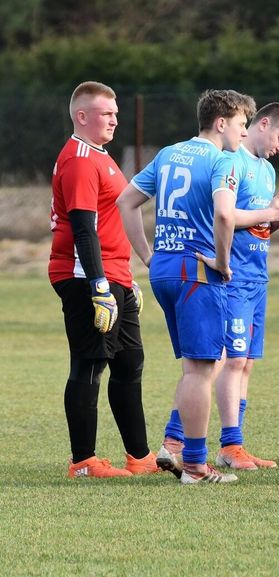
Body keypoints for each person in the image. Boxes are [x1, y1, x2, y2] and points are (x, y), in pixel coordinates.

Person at [117, 89, 262, 484]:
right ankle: (195, 466)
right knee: (203, 368)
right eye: (241, 124)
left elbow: (126, 202)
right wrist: (222, 260)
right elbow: (224, 214)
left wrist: (148, 256)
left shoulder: (168, 153)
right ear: (221, 122)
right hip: (196, 270)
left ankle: (175, 445)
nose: (244, 133)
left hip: (164, 268)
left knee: (194, 366)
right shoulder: (223, 160)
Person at [156, 103, 279, 472]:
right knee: (225, 360)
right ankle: (218, 444)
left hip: (258, 276)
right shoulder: (229, 158)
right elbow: (222, 217)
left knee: (244, 363)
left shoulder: (267, 170)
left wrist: (278, 220)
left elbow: (255, 224)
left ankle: (193, 443)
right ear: (263, 123)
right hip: (230, 276)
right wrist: (268, 215)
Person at [49, 81, 157, 478]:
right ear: (82, 116)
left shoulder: (101, 156)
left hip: (115, 274)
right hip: (84, 275)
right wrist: (98, 286)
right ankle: (83, 462)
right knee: (90, 364)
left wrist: (126, 279)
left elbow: (112, 221)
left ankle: (141, 458)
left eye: (115, 112)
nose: (115, 119)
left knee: (130, 362)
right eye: (106, 113)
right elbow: (83, 228)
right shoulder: (79, 158)